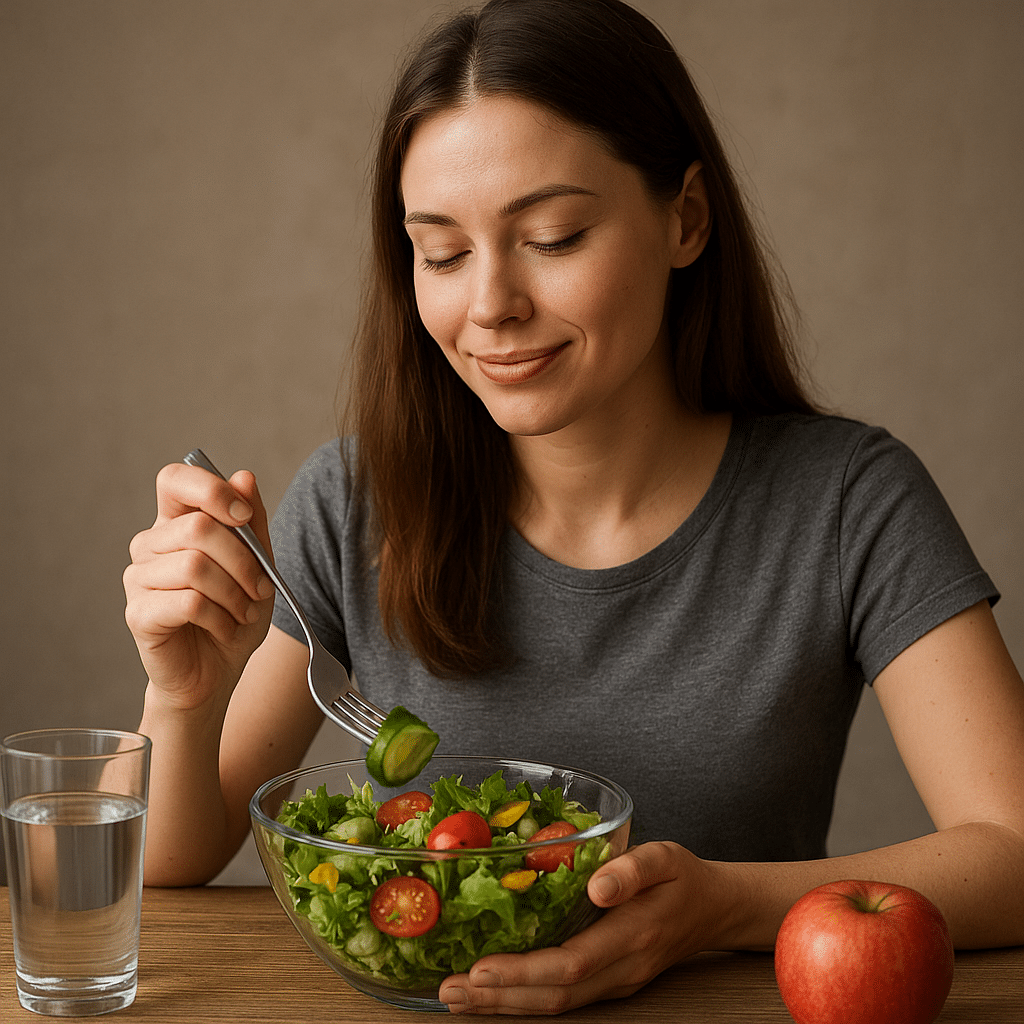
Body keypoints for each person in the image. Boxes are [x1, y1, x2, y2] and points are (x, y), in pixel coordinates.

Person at [124, 0, 1024, 1014]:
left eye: (552, 237)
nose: (489, 305)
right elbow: (172, 857)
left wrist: (721, 907)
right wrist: (182, 698)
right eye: (442, 253)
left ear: (685, 219)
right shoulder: (352, 503)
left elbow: (1015, 846)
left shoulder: (848, 500)